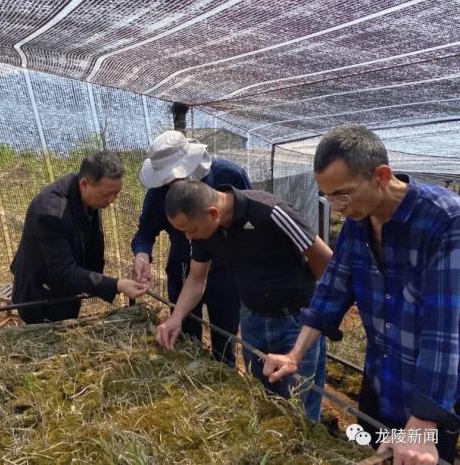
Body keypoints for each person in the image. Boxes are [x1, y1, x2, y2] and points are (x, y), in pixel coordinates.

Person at [264, 125, 460, 464]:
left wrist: (423, 422)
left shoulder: (445, 220)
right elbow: (332, 289)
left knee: (417, 459)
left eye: (343, 194)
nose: (337, 207)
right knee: (372, 449)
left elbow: (445, 329)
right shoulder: (358, 221)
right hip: (380, 380)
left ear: (381, 175)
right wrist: (295, 354)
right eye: (328, 196)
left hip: (430, 393)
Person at [156, 180, 332, 421]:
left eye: (191, 229)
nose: (189, 236)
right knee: (262, 398)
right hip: (252, 319)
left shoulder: (270, 212)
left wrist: (309, 304)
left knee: (299, 405)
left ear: (213, 213)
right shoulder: (205, 231)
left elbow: (325, 261)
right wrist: (176, 317)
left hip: (295, 320)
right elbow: (197, 278)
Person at [132, 130, 251, 366]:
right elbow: (145, 232)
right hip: (183, 269)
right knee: (186, 337)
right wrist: (142, 254)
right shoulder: (158, 194)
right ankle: (190, 374)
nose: (171, 183)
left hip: (225, 273)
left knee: (225, 336)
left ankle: (224, 372)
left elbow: (247, 219)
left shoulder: (229, 175)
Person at [11, 151, 148, 323]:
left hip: (67, 288)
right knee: (48, 333)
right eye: (107, 194)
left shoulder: (88, 194)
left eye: (116, 193)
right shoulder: (51, 212)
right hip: (42, 295)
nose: (112, 200)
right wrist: (116, 285)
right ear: (84, 184)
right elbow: (63, 270)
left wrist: (95, 279)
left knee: (67, 325)